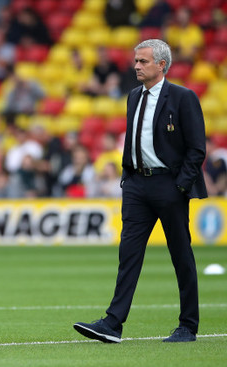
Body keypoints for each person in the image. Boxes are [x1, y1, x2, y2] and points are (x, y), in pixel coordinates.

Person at [73, 39, 207, 343]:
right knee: (128, 254)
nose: (136, 66)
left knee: (180, 254)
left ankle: (188, 325)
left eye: (143, 61)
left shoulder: (183, 98)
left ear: (161, 65)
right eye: (136, 61)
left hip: (168, 185)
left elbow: (197, 149)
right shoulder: (133, 96)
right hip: (136, 185)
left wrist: (180, 186)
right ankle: (113, 324)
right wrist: (129, 178)